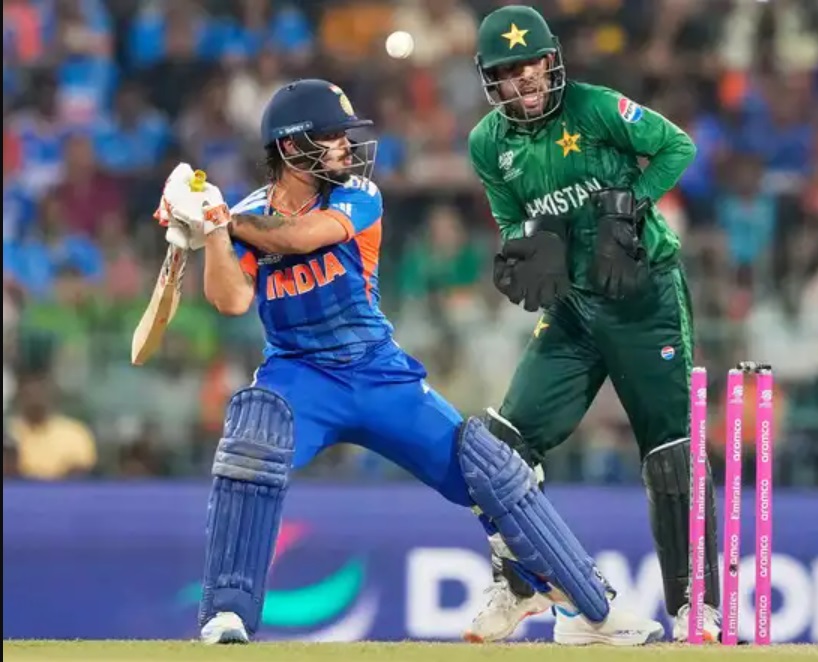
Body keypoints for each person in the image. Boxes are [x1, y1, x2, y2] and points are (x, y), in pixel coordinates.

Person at [158, 78, 664, 646]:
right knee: (253, 441)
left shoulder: (356, 196)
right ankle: (226, 614)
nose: (347, 147)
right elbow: (230, 299)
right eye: (333, 136)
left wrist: (221, 219)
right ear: (293, 146)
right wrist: (212, 231)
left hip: (376, 371)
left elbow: (302, 236)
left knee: (490, 468)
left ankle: (590, 610)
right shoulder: (245, 216)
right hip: (298, 373)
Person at [465, 5, 721, 644]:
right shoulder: (488, 143)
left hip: (643, 297)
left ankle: (697, 608)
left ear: (551, 61)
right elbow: (508, 217)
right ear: (490, 80)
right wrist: (525, 244)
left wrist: (631, 208)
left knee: (670, 453)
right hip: (573, 307)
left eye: (530, 64)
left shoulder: (597, 106)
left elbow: (677, 146)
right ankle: (522, 586)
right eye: (507, 71)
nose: (523, 79)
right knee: (500, 447)